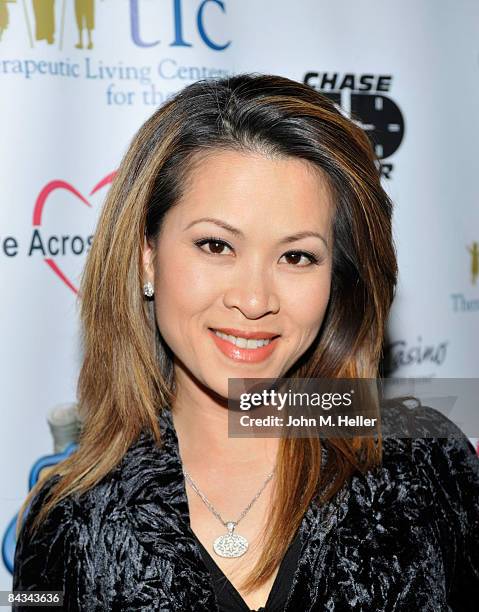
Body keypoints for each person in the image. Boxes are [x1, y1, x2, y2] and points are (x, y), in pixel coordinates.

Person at [12, 73, 479, 611]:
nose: (255, 300)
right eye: (216, 245)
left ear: (336, 278)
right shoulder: (65, 523)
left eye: (296, 256)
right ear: (147, 256)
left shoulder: (426, 465)